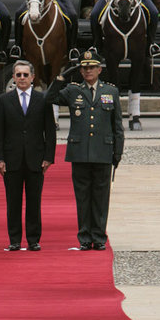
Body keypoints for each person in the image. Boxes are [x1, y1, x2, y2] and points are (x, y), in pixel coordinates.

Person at [45, 50, 124, 251]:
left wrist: (117, 152)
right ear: (80, 71)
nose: (88, 71)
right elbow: (49, 98)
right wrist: (62, 76)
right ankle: (84, 237)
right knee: (83, 197)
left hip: (103, 151)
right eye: (84, 68)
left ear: (99, 69)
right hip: (80, 151)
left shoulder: (111, 91)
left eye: (91, 67)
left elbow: (117, 126)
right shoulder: (73, 90)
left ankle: (98, 237)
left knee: (101, 197)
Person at [0, 60, 56, 251]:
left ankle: (33, 239)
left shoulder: (42, 99)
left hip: (35, 159)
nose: (21, 78)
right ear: (13, 77)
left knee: (34, 201)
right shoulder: (4, 100)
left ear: (32, 77)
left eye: (25, 75)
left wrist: (48, 157)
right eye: (18, 74)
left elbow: (50, 131)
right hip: (11, 159)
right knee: (13, 201)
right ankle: (14, 239)